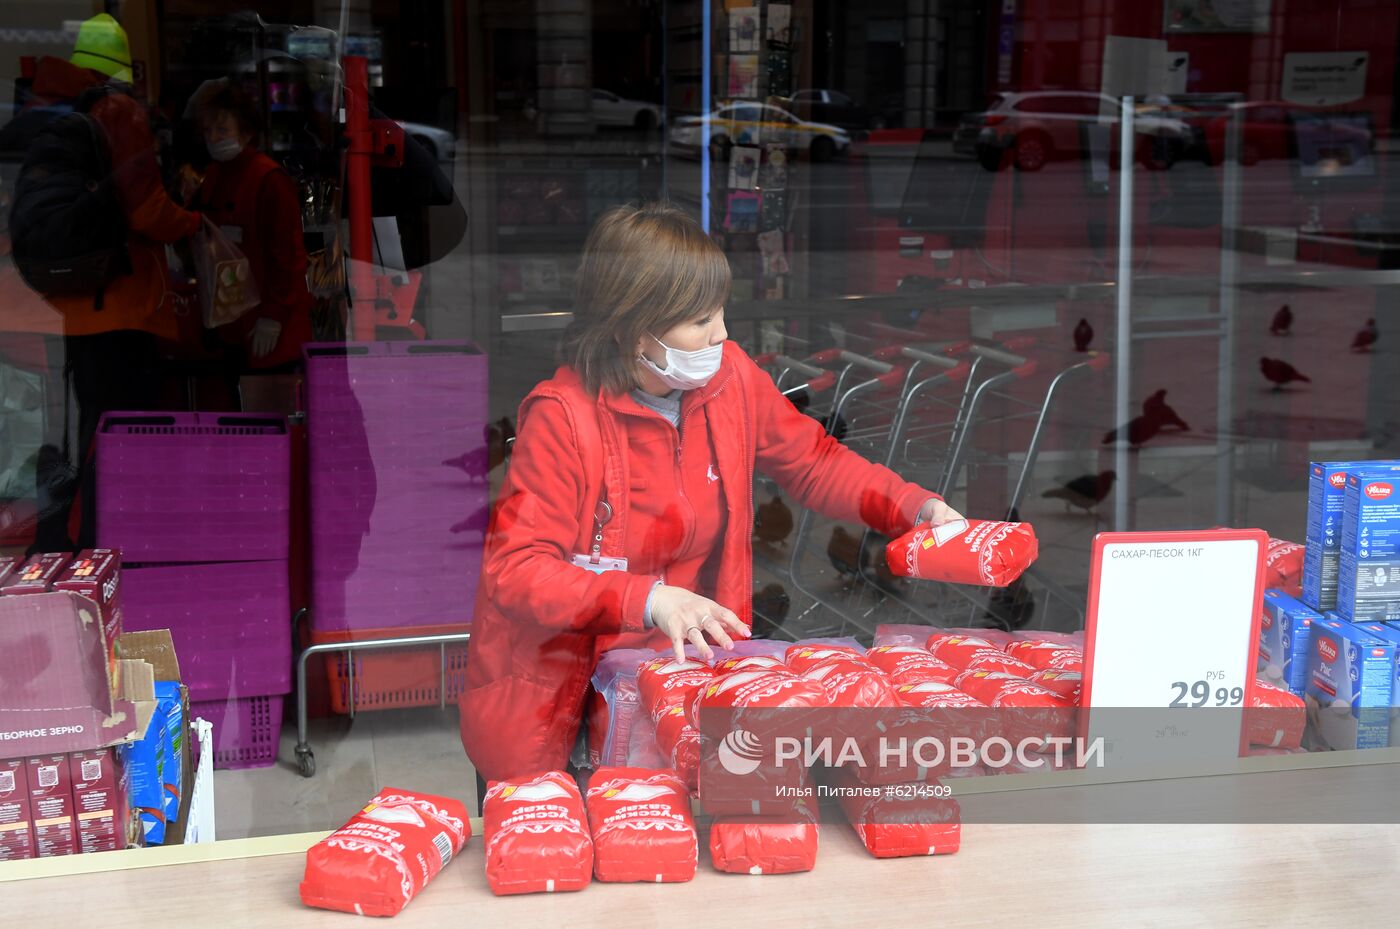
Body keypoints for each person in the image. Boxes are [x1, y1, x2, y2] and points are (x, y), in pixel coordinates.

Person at [459, 202, 966, 782]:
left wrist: (913, 507)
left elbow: (814, 463)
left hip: (677, 680)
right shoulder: (563, 418)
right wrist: (648, 599)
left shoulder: (730, 380)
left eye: (721, 313)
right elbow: (517, 570)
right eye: (699, 321)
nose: (720, 333)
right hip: (558, 700)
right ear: (632, 328)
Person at [7, 13, 201, 551]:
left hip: (49, 305)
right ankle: (108, 554)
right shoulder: (116, 111)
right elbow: (144, 209)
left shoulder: (38, 108)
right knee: (119, 435)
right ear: (127, 68)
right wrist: (191, 223)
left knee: (67, 436)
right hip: (112, 306)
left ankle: (53, 552)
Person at [186, 80, 313, 370]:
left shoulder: (269, 179)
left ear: (246, 132)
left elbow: (289, 254)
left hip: (267, 323)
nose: (213, 138)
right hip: (230, 320)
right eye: (207, 131)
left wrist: (274, 314)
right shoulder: (214, 177)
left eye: (222, 129)